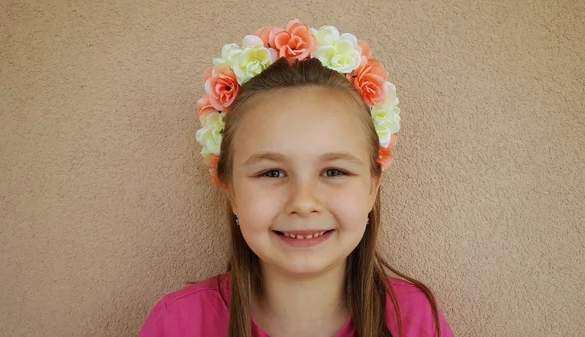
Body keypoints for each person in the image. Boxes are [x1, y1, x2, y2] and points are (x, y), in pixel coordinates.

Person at [139, 20, 455, 337]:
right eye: (272, 172)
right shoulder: (178, 324)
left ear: (373, 187)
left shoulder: (414, 321)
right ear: (231, 190)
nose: (303, 203)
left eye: (334, 171)